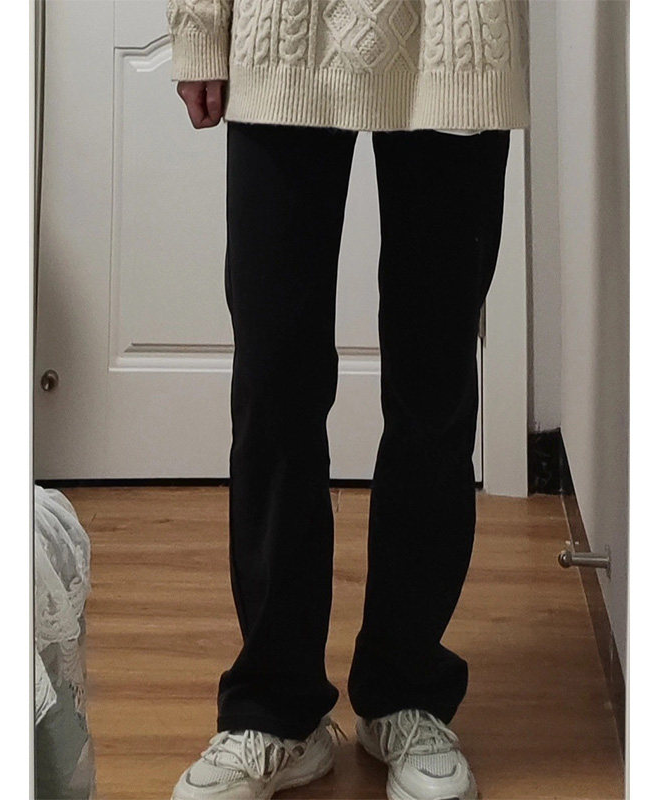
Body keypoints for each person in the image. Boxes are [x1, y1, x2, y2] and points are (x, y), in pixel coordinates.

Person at [166, 2, 530, 799]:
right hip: (280, 29)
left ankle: (407, 693)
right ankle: (276, 709)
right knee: (274, 379)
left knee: (434, 382)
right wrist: (198, 24)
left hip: (456, 33)